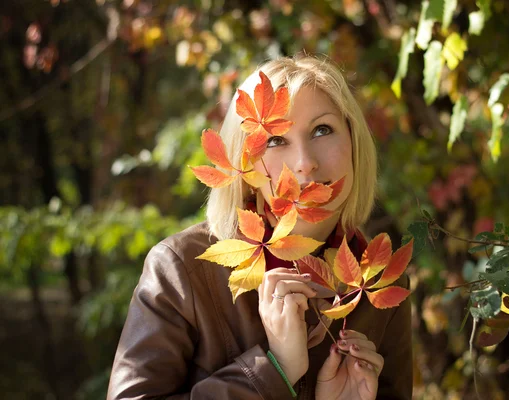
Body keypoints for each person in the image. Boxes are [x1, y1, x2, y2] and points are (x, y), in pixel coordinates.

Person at [107, 55, 412, 400]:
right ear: (244, 165)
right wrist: (273, 370)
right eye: (275, 140)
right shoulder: (180, 270)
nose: (305, 164)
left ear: (355, 144)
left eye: (322, 130)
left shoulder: (381, 280)